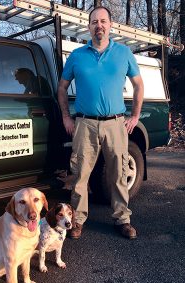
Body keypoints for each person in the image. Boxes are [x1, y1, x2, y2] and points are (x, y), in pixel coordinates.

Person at [57, 6, 144, 239]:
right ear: (89, 27)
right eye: (94, 22)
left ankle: (122, 219)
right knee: (79, 175)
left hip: (116, 124)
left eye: (103, 21)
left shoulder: (124, 53)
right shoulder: (77, 55)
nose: (99, 26)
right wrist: (67, 116)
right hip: (84, 124)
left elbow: (138, 85)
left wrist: (134, 116)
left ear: (110, 25)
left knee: (118, 173)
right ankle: (77, 220)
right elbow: (62, 88)